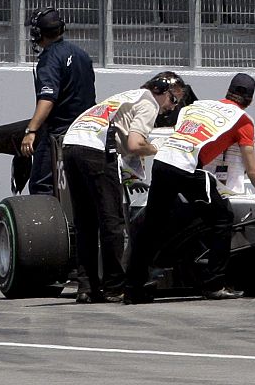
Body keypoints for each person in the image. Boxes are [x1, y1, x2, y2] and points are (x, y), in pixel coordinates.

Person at [124, 73, 255, 303]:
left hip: (162, 163)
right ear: (249, 99)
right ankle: (214, 283)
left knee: (152, 224)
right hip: (187, 168)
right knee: (223, 217)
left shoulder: (199, 106)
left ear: (228, 91)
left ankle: (133, 288)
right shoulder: (243, 120)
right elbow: (251, 166)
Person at [62, 72, 186, 304]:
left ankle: (86, 287)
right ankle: (114, 287)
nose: (170, 108)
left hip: (71, 143)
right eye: (173, 100)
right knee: (112, 222)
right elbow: (135, 143)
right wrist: (158, 149)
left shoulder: (126, 96)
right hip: (96, 149)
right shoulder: (149, 101)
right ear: (161, 90)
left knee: (85, 222)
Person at [21, 7, 96, 195]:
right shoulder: (81, 54)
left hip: (59, 134)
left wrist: (31, 131)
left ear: (37, 34)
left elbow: (47, 99)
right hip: (86, 130)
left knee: (41, 186)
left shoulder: (49, 59)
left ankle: (48, 225)